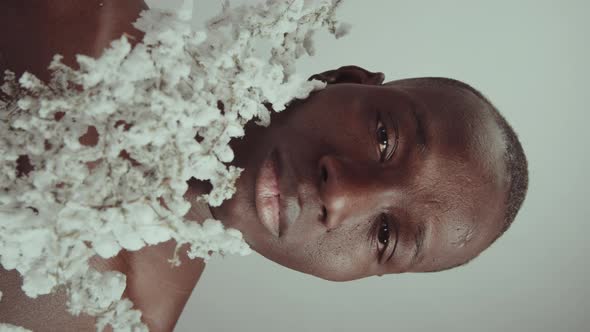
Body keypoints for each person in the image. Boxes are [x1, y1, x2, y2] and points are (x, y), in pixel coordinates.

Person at [0, 1, 528, 331]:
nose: (341, 194)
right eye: (385, 138)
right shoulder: (71, 13)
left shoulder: (117, 320)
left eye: (386, 235)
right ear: (339, 76)